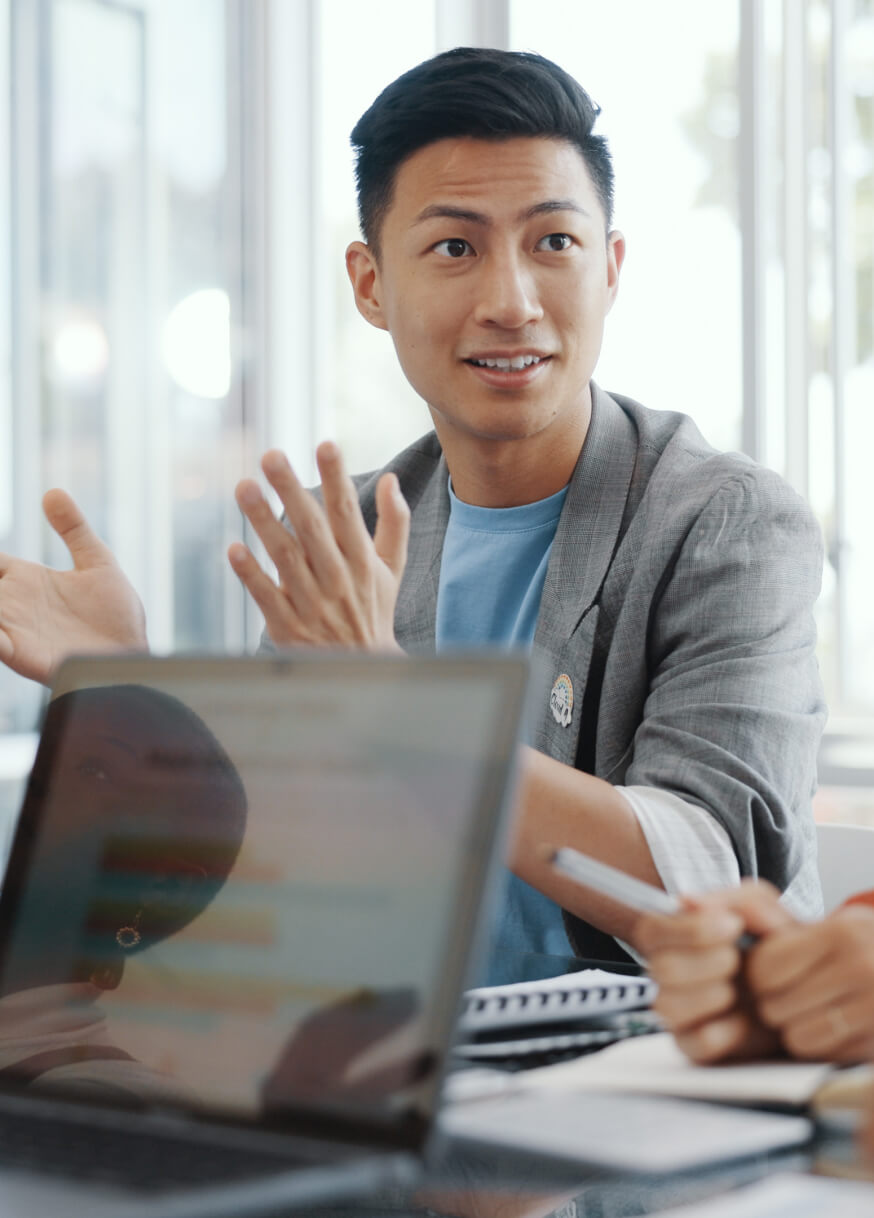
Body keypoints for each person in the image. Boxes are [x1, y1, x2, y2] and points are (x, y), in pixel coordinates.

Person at [0, 48, 826, 983]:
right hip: (398, 1072)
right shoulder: (346, 535)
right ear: (370, 285)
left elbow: (713, 875)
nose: (511, 302)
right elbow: (261, 883)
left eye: (554, 242)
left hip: (655, 1080)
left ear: (610, 268)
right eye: (454, 247)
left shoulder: (730, 523)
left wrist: (392, 703)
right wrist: (122, 695)